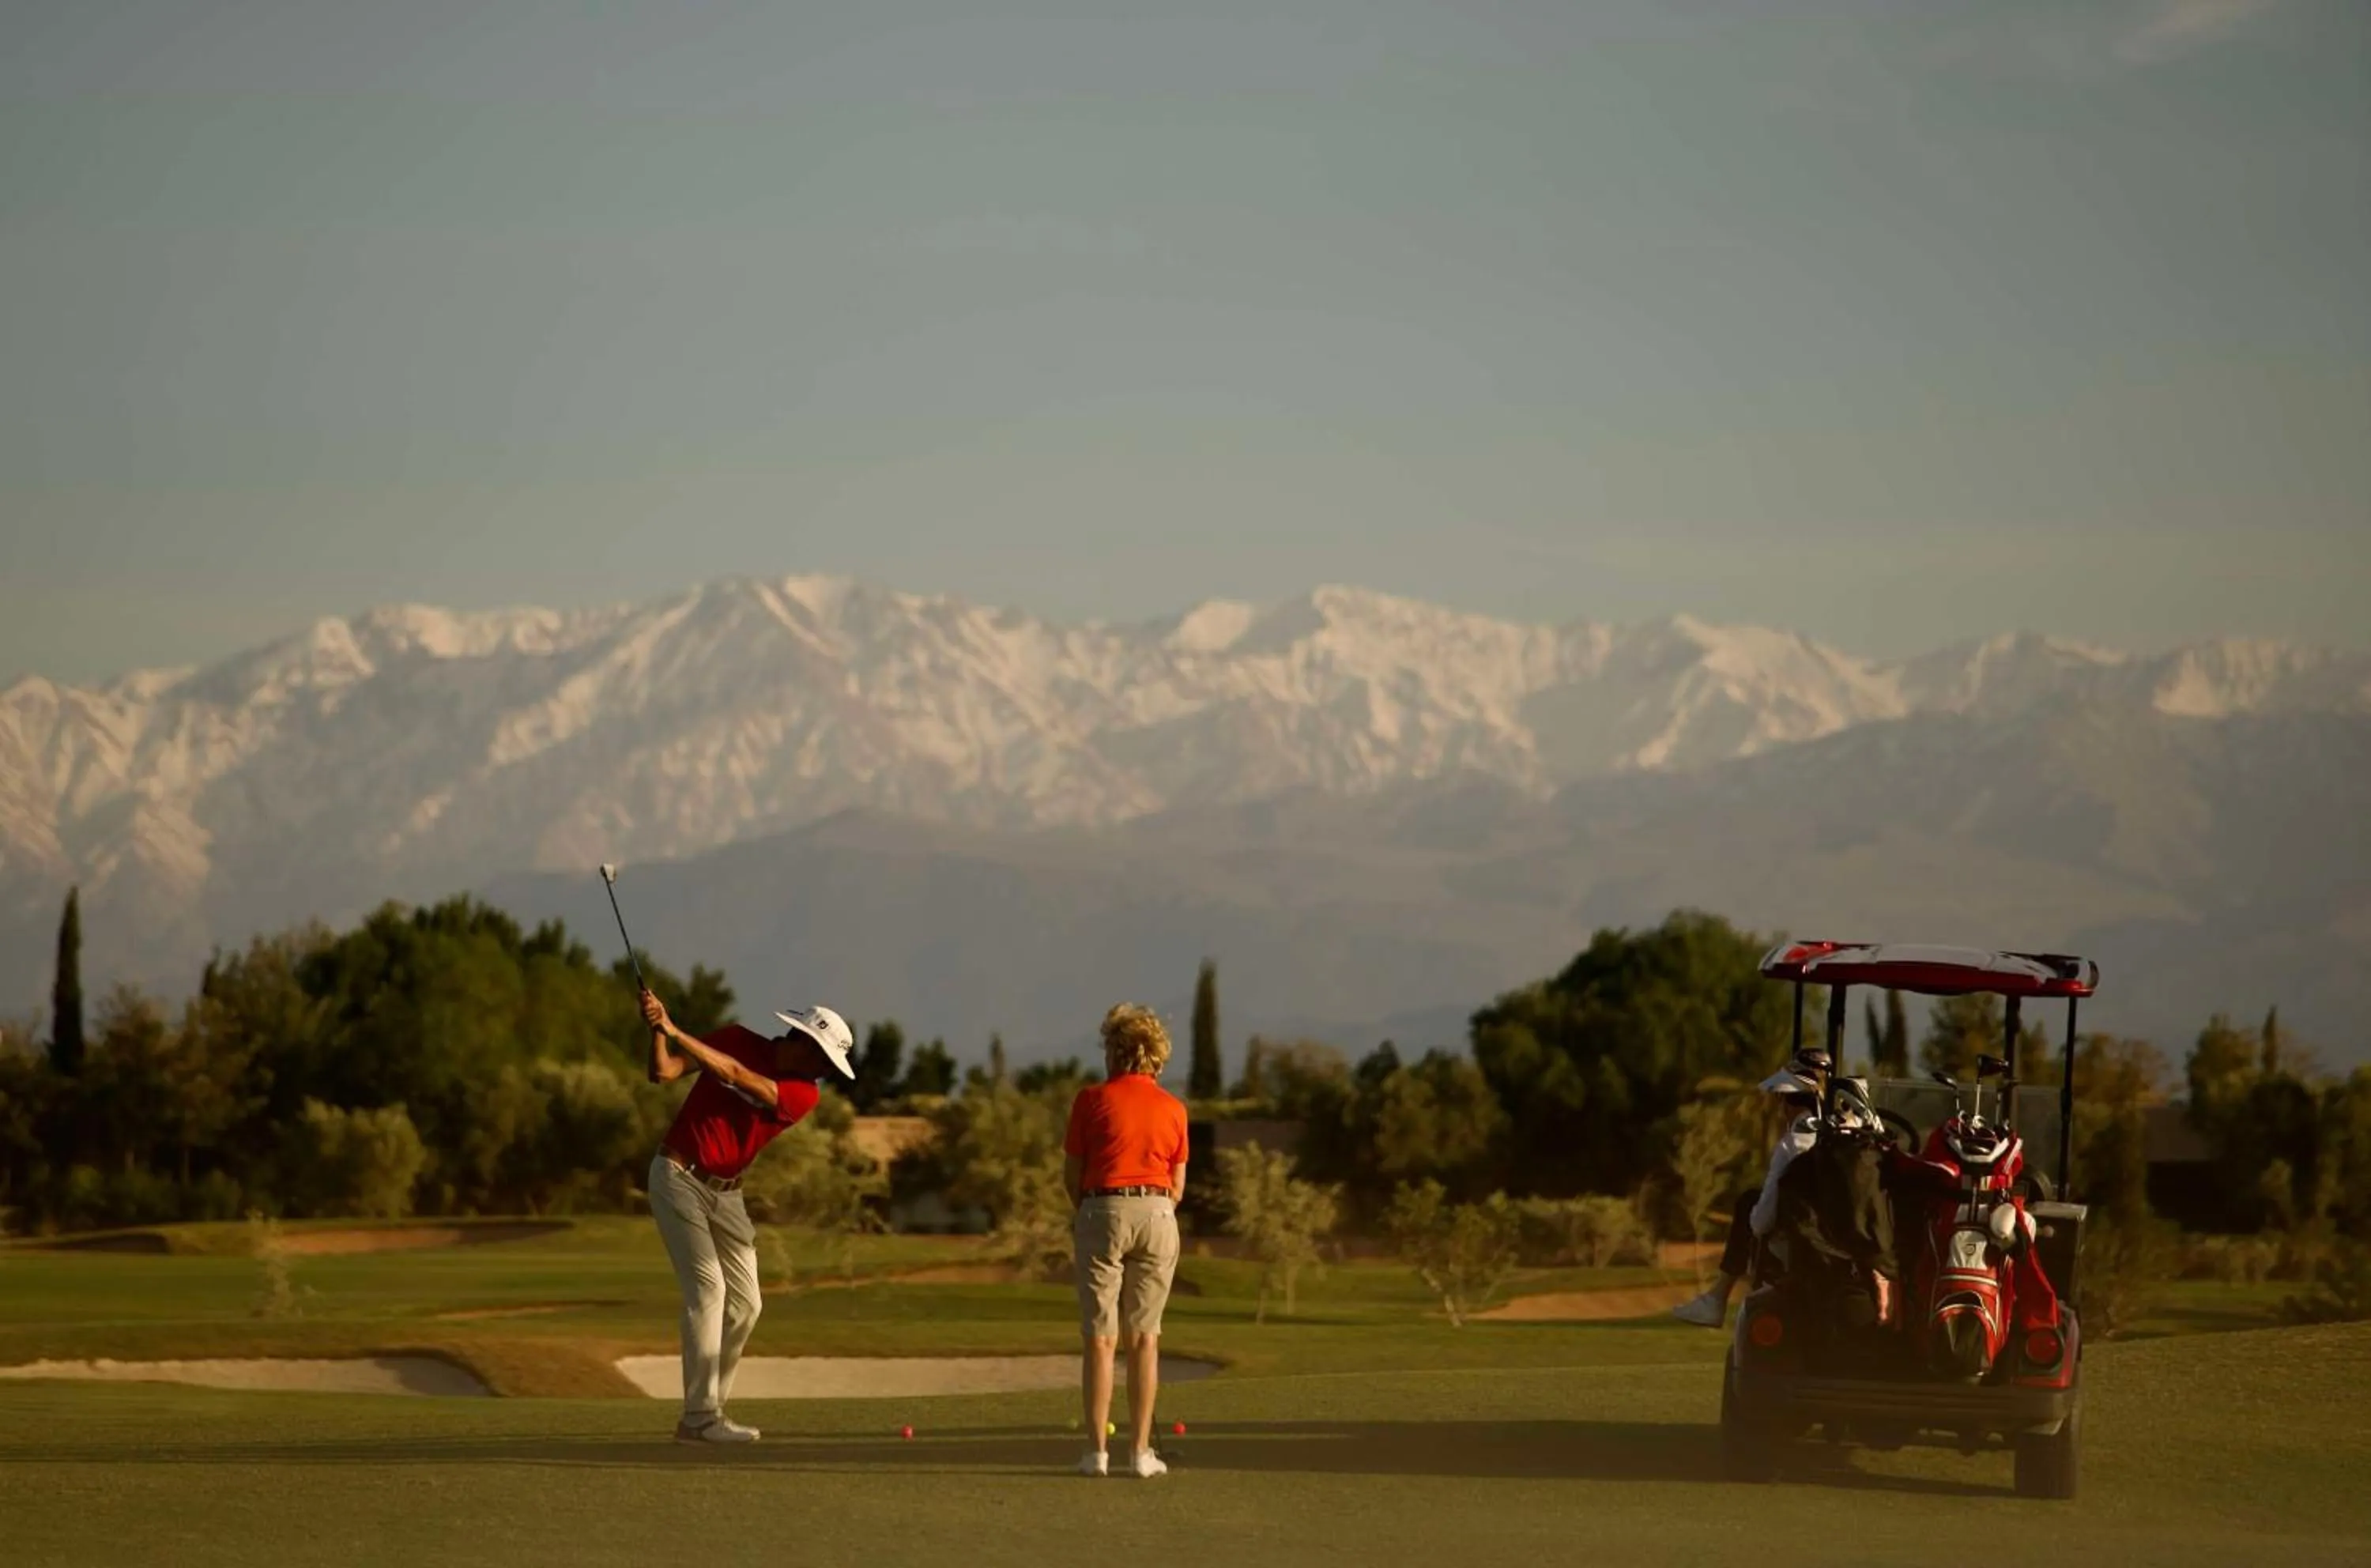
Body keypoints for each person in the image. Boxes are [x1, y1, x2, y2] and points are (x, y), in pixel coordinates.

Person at [639, 986, 856, 1443]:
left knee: (748, 1304)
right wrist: (658, 1031)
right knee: (709, 1291)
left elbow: (735, 1075)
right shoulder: (735, 1037)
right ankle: (700, 1417)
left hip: (728, 1194)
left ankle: (709, 1409)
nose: (823, 1073)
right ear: (803, 1042)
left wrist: (675, 1028)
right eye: (822, 1061)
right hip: (678, 1176)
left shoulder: (803, 1094)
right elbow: (664, 1072)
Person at [1063, 1003, 1189, 1479]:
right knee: (1145, 1338)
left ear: (1113, 1052)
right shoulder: (1175, 1109)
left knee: (1100, 1338)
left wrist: (1091, 1210)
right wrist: (1154, 1209)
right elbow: (1177, 1185)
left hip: (1102, 1207)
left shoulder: (1090, 1101)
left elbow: (1071, 1172)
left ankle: (1096, 1454)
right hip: (1158, 1211)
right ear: (1156, 1055)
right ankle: (1140, 1455)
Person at [1670, 1064, 1823, 1328]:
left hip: (1795, 1248)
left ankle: (1717, 1298)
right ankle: (1715, 1299)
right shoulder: (1839, 1133)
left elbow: (1760, 1223)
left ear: (1787, 1103)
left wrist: (1754, 1215)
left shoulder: (1792, 1144)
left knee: (1748, 1203)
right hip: (1836, 1246)